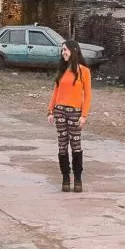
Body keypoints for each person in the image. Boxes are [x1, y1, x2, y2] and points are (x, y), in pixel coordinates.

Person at [47, 40, 92, 192]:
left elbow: (88, 95)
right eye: (62, 50)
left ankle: (78, 178)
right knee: (62, 145)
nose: (63, 53)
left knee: (76, 144)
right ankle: (65, 177)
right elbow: (55, 92)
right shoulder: (62, 70)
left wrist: (84, 115)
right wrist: (50, 111)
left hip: (75, 112)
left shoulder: (84, 71)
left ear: (74, 50)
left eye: (65, 50)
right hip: (59, 110)